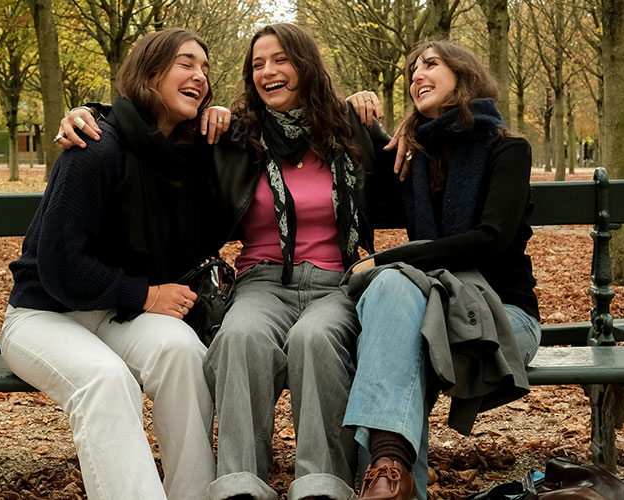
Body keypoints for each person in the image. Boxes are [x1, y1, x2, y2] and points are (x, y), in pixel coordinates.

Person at [58, 23, 395, 500]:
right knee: (240, 337)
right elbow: (143, 123)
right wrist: (85, 112)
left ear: (307, 65)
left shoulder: (349, 129)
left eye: (280, 59)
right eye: (257, 64)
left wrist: (378, 111)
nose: (268, 71)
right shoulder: (236, 135)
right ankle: (240, 486)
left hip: (336, 282)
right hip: (262, 281)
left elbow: (410, 165)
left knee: (313, 339)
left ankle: (322, 484)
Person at [0, 28, 229, 500]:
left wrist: (231, 124)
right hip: (44, 313)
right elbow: (59, 268)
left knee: (183, 354)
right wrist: (145, 295)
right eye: (186, 63)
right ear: (150, 73)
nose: (200, 76)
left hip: (115, 313)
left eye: (205, 69)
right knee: (106, 381)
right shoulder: (94, 146)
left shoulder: (184, 158)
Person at [344, 41, 542, 500]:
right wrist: (354, 108)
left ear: (464, 75)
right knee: (398, 318)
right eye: (412, 70)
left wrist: (392, 258)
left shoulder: (508, 149)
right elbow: (361, 166)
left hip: (504, 316)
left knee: (394, 325)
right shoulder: (413, 156)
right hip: (431, 308)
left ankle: (384, 476)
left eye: (430, 64)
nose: (416, 75)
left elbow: (490, 240)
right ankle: (391, 474)